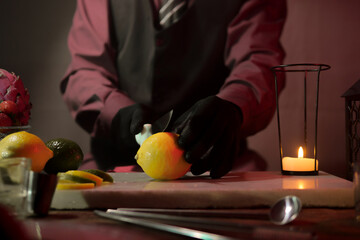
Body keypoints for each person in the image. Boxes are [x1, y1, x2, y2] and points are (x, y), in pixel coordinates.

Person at [61, 0, 287, 179]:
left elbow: (258, 62)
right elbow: (86, 70)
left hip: (215, 171)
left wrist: (234, 106)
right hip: (112, 168)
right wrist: (115, 111)